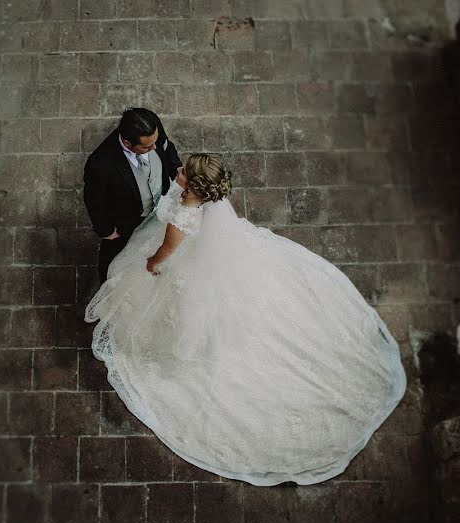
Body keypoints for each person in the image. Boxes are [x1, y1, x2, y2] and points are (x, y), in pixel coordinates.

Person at [84, 153, 408, 486]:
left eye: (182, 172)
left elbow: (166, 252)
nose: (177, 172)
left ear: (194, 186)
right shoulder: (210, 202)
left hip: (186, 267)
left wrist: (152, 265)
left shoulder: (183, 217)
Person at [83, 107, 183, 284]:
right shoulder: (100, 164)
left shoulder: (151, 125)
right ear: (128, 143)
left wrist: (176, 170)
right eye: (146, 146)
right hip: (128, 223)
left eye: (155, 141)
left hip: (161, 211)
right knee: (113, 272)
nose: (154, 147)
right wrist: (105, 230)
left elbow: (167, 147)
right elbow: (93, 199)